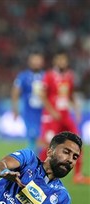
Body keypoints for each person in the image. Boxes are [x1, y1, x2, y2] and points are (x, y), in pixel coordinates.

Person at [38, 49, 90, 185]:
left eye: (64, 60)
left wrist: (76, 109)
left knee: (77, 142)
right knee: (47, 145)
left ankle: (77, 175)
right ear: (55, 61)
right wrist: (51, 110)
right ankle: (38, 171)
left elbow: (70, 94)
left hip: (65, 115)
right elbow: (42, 96)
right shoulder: (48, 76)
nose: (62, 62)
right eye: (59, 59)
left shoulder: (69, 76)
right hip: (51, 116)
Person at [11, 50, 45, 155]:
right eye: (34, 60)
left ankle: (37, 162)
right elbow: (15, 92)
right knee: (32, 137)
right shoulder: (23, 76)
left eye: (38, 60)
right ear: (29, 62)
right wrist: (15, 109)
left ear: (42, 62)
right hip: (29, 113)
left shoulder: (46, 76)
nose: (36, 62)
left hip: (44, 112)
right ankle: (33, 163)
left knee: (43, 139)